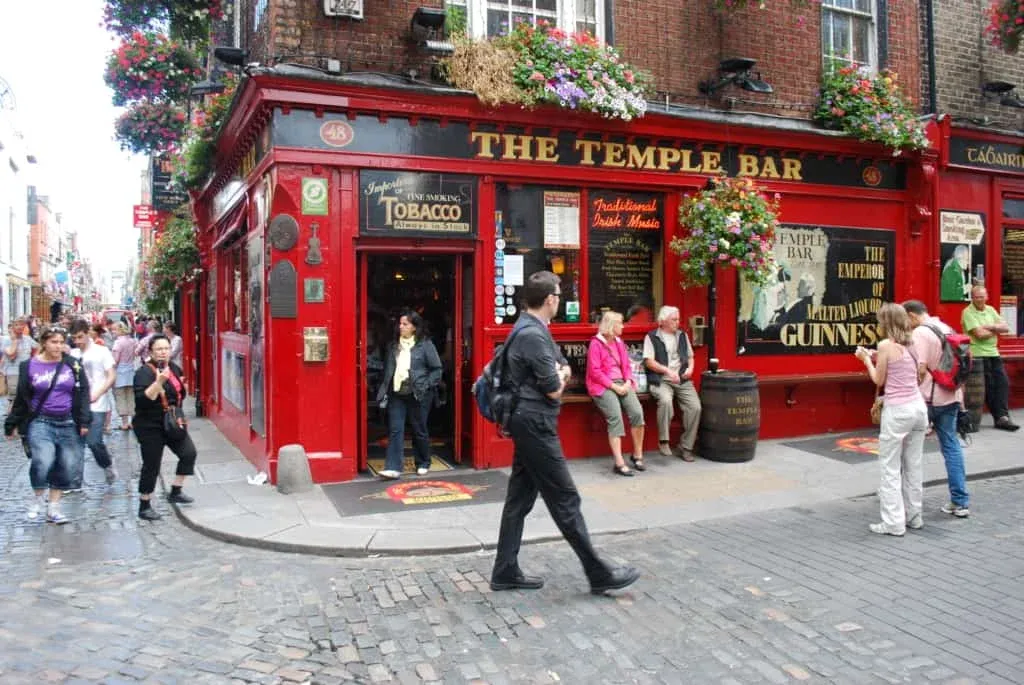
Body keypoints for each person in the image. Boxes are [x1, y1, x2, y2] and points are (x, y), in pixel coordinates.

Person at [491, 271, 639, 595]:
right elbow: (554, 389)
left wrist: (561, 372)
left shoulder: (533, 329)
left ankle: (504, 570)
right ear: (550, 300)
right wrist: (560, 377)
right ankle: (597, 572)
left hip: (527, 421)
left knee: (519, 498)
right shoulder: (533, 335)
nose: (559, 299)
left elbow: (561, 366)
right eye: (558, 294)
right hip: (535, 424)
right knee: (565, 498)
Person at [4, 326, 91, 524]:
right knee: (43, 459)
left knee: (67, 464)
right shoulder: (28, 366)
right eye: (54, 342)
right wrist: (11, 424)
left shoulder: (73, 364)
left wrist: (85, 420)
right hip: (41, 421)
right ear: (44, 343)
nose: (58, 346)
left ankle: (54, 507)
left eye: (61, 342)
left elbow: (83, 392)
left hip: (69, 421)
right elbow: (22, 396)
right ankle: (37, 498)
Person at [855, 303, 928, 537]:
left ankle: (893, 522)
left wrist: (866, 360)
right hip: (918, 408)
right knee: (913, 465)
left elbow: (878, 379)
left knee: (890, 467)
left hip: (897, 411)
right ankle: (914, 516)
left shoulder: (886, 345)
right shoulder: (913, 343)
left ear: (886, 323)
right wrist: (876, 355)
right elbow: (913, 372)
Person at [903, 300, 970, 518]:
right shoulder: (945, 327)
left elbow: (920, 368)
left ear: (912, 315)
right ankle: (960, 501)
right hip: (950, 396)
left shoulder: (921, 333)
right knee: (951, 446)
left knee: (908, 449)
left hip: (927, 398)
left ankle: (906, 503)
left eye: (906, 319)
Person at [133, 334, 198, 521]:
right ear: (151, 352)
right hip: (150, 425)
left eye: (166, 349)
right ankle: (144, 504)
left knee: (188, 453)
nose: (163, 352)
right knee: (152, 464)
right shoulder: (143, 373)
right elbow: (143, 401)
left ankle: (176, 491)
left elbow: (180, 394)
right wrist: (159, 382)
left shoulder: (174, 368)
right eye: (159, 349)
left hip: (171, 421)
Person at [375, 311, 443, 479]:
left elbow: (437, 369)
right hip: (397, 392)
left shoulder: (425, 344)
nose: (401, 327)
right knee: (395, 429)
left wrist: (426, 385)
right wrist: (384, 387)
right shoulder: (393, 346)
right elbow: (387, 368)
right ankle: (393, 467)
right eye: (400, 323)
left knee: (419, 429)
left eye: (405, 324)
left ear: (414, 327)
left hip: (418, 393)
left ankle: (423, 462)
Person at [586, 311, 645, 476]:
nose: (623, 326)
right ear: (612, 326)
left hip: (622, 383)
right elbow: (595, 372)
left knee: (637, 413)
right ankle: (619, 463)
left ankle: (637, 455)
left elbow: (626, 365)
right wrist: (614, 386)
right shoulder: (596, 344)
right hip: (603, 386)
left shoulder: (619, 342)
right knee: (615, 417)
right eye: (620, 323)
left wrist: (627, 382)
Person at [643, 306, 701, 461]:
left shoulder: (682, 335)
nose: (678, 322)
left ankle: (686, 446)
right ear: (663, 321)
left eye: (678, 319)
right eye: (674, 319)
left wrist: (690, 369)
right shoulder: (652, 336)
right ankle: (664, 441)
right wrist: (667, 371)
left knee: (695, 407)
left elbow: (690, 357)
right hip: (661, 379)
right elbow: (649, 361)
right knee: (666, 401)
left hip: (682, 379)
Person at [68, 319, 118, 487]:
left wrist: (99, 392)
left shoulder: (101, 351)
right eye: (74, 338)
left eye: (80, 337)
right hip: (77, 404)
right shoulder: (72, 354)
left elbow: (111, 375)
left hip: (97, 402)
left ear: (87, 332)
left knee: (94, 441)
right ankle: (75, 480)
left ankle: (107, 464)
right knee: (76, 443)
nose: (78, 341)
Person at [962, 285, 1019, 431]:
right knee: (987, 388)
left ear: (986, 296)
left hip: (994, 353)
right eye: (976, 297)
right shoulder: (968, 312)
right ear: (972, 298)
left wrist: (988, 327)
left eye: (982, 296)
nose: (980, 299)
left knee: (1002, 384)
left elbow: (1006, 327)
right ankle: (991, 419)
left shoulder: (991, 310)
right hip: (978, 355)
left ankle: (1002, 417)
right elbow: (979, 335)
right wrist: (995, 329)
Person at [4, 318, 39, 412]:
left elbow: (38, 347)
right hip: (13, 372)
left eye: (22, 324)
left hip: (27, 371)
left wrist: (34, 359)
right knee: (14, 398)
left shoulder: (27, 338)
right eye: (17, 325)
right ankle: (11, 420)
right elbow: (11, 354)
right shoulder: (6, 339)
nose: (20, 327)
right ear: (12, 327)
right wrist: (14, 340)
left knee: (27, 396)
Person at [111, 322, 136, 431]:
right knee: (131, 395)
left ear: (120, 330)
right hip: (130, 370)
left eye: (114, 330)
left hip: (120, 371)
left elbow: (115, 360)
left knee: (120, 396)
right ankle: (133, 421)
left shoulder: (117, 343)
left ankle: (125, 423)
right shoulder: (132, 341)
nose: (113, 332)